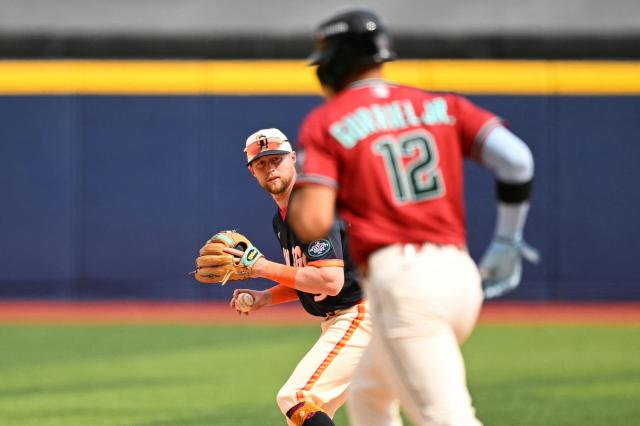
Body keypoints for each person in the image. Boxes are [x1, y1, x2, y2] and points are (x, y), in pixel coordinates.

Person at [287, 9, 539, 426]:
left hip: (403, 283)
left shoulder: (328, 122)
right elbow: (517, 160)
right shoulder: (441, 105)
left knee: (446, 418)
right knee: (370, 396)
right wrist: (508, 239)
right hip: (459, 275)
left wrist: (303, 186)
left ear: (333, 63)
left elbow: (312, 222)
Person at [229, 128, 372, 426]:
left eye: (276, 160)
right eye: (261, 164)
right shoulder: (282, 217)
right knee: (305, 416)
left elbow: (330, 282)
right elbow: (308, 277)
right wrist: (265, 297)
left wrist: (261, 266)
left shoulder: (311, 206)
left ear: (293, 159)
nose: (270, 168)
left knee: (296, 397)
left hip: (361, 316)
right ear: (252, 172)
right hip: (351, 319)